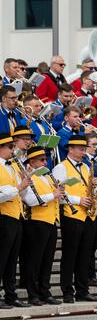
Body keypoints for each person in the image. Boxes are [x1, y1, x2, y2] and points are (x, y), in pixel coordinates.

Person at [52, 135, 97, 303]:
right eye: (80, 149)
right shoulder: (61, 168)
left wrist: (94, 186)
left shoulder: (86, 167)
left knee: (85, 254)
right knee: (70, 254)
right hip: (71, 215)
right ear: (70, 149)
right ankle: (67, 290)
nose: (83, 151)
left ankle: (83, 290)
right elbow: (59, 194)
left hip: (88, 215)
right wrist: (78, 200)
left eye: (84, 148)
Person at [20, 147, 63, 305]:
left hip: (51, 221)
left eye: (46, 159)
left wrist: (59, 191)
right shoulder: (28, 176)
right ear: (31, 162)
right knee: (35, 260)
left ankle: (45, 290)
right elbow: (30, 200)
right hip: (36, 222)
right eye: (42, 160)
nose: (46, 162)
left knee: (47, 260)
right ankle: (33, 293)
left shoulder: (47, 176)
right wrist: (54, 195)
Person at [0, 132, 31, 308]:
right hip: (3, 217)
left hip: (16, 215)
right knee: (2, 258)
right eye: (10, 147)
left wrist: (25, 182)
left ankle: (11, 295)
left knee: (12, 260)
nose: (13, 151)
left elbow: (22, 194)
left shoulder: (12, 167)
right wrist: (18, 187)